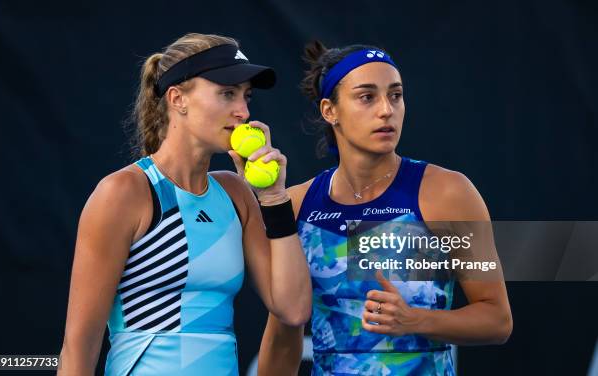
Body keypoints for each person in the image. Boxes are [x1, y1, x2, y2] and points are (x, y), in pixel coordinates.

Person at [57, 33, 312, 376]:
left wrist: (274, 198)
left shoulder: (236, 193)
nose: (243, 111)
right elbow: (78, 347)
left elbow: (293, 309)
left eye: (246, 96)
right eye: (227, 93)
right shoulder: (124, 192)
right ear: (178, 99)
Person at [257, 41, 513, 375]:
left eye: (395, 95)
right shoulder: (296, 204)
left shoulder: (448, 193)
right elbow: (282, 338)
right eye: (367, 97)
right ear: (329, 111)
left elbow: (497, 319)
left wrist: (416, 320)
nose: (386, 110)